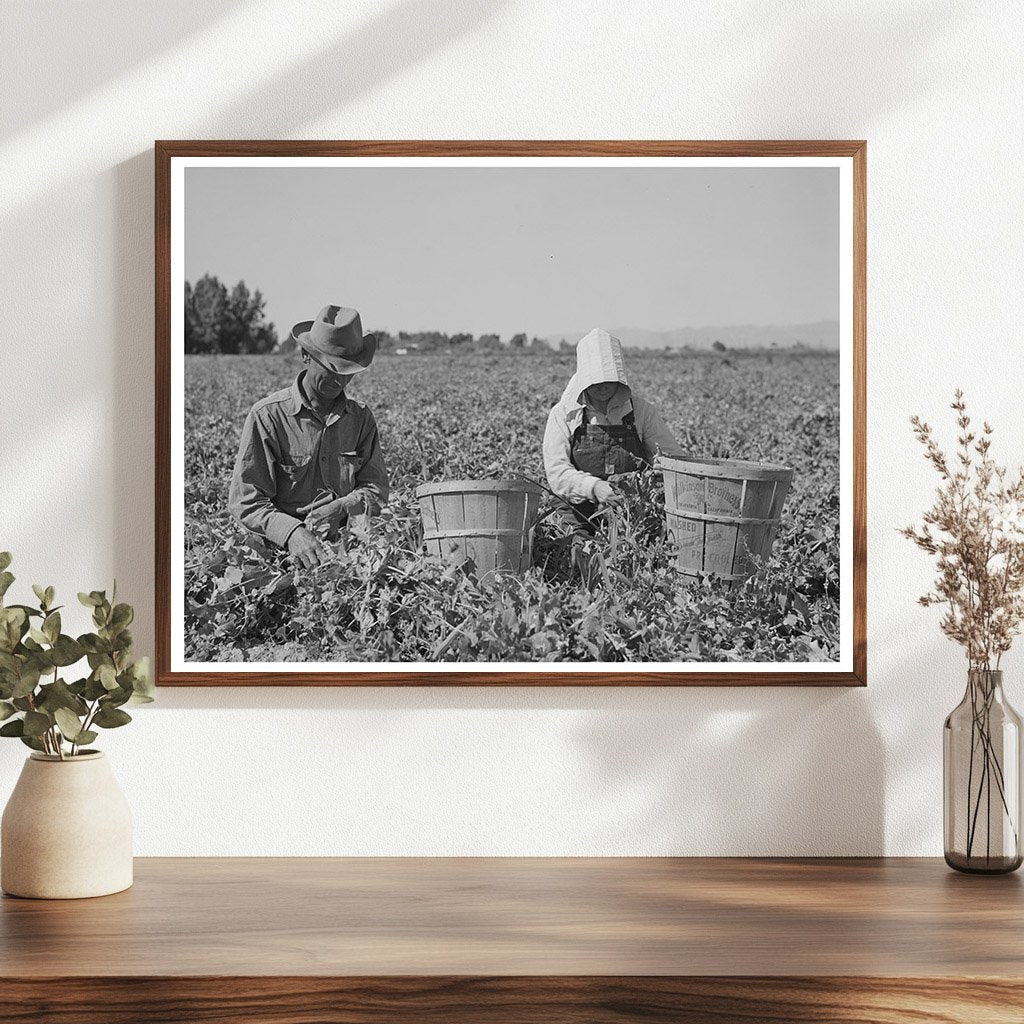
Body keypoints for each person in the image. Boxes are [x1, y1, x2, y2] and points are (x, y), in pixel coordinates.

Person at [228, 304, 389, 568]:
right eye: (330, 367)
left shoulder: (360, 419)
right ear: (305, 355)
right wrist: (292, 532)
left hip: (349, 550)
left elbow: (376, 489)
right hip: (281, 553)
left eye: (346, 372)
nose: (338, 380)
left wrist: (343, 507)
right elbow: (245, 501)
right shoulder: (268, 416)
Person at [543, 328, 684, 535]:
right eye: (595, 381)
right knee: (578, 550)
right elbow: (557, 474)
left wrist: (654, 483)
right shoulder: (564, 413)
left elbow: (672, 461)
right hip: (576, 511)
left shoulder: (641, 411)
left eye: (608, 379)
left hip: (630, 510)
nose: (602, 387)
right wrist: (595, 488)